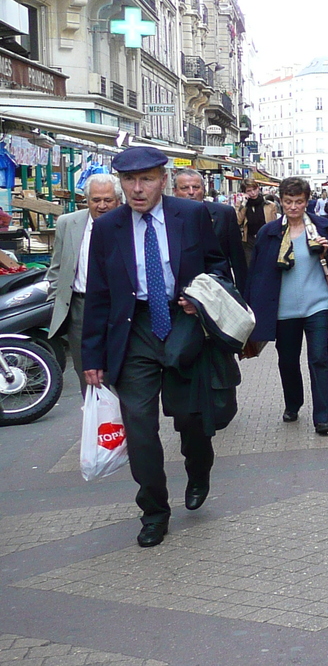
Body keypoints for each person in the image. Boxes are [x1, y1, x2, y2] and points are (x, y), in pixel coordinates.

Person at [81, 146, 231, 548]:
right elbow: (97, 294)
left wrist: (200, 297)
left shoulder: (193, 215)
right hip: (134, 331)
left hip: (183, 324)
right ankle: (154, 511)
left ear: (163, 179)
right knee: (140, 427)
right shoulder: (108, 227)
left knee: (192, 420)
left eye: (146, 179)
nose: (137, 188)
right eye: (129, 180)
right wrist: (92, 357)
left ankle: (199, 471)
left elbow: (218, 265)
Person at [243, 176, 328, 436]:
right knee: (288, 360)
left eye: (299, 202)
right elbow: (257, 273)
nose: (293, 207)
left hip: (317, 305)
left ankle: (323, 418)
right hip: (283, 309)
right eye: (288, 202)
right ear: (281, 202)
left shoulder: (323, 229)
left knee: (319, 359)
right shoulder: (268, 233)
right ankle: (293, 403)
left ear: (307, 202)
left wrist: (326, 255)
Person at [45, 175, 121, 391]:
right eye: (96, 200)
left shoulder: (128, 223)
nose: (102, 206)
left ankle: (126, 420)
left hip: (119, 307)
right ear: (86, 200)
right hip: (80, 308)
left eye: (108, 200)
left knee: (123, 371)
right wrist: (57, 302)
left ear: (118, 200)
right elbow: (57, 267)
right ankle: (97, 421)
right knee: (88, 375)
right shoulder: (68, 223)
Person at [172, 168, 248, 285]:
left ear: (203, 189)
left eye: (196, 187)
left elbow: (237, 257)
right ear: (175, 191)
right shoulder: (168, 216)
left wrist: (242, 292)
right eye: (185, 188)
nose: (191, 192)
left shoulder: (224, 213)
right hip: (181, 287)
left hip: (217, 284)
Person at [237, 181, 274, 261]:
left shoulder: (270, 205)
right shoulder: (242, 205)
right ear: (244, 192)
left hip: (266, 238)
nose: (253, 193)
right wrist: (244, 204)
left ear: (258, 189)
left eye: (254, 189)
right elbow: (238, 221)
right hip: (249, 239)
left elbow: (274, 224)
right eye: (249, 191)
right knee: (250, 265)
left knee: (266, 264)